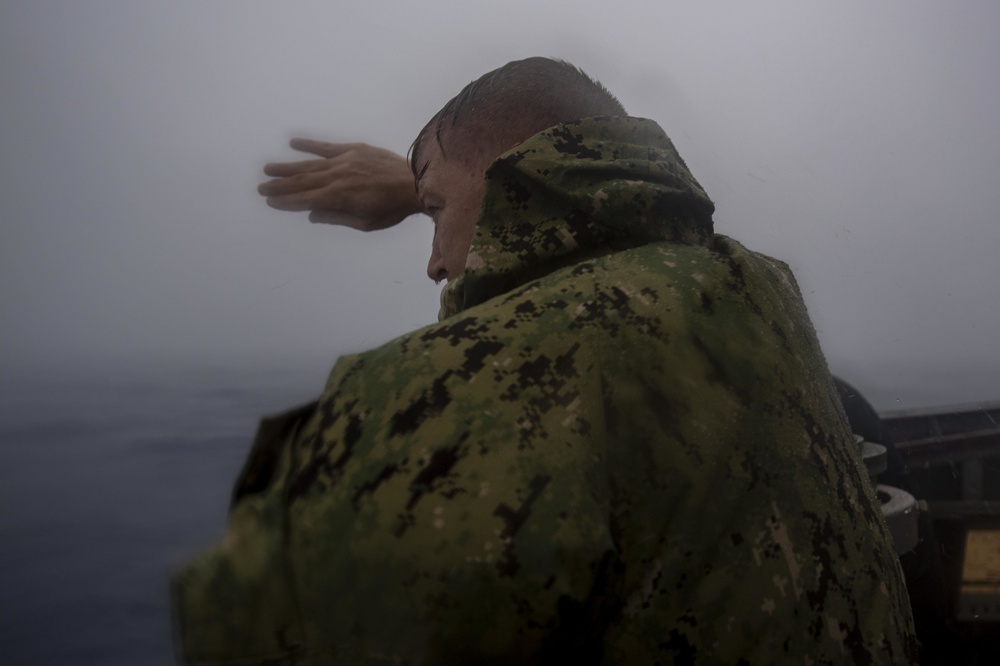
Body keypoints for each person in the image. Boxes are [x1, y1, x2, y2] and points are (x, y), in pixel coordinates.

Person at [172, 57, 917, 664]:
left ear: (505, 183)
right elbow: (622, 234)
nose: (434, 264)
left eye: (434, 217)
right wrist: (431, 183)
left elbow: (237, 626)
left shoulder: (473, 387)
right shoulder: (757, 288)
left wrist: (439, 186)